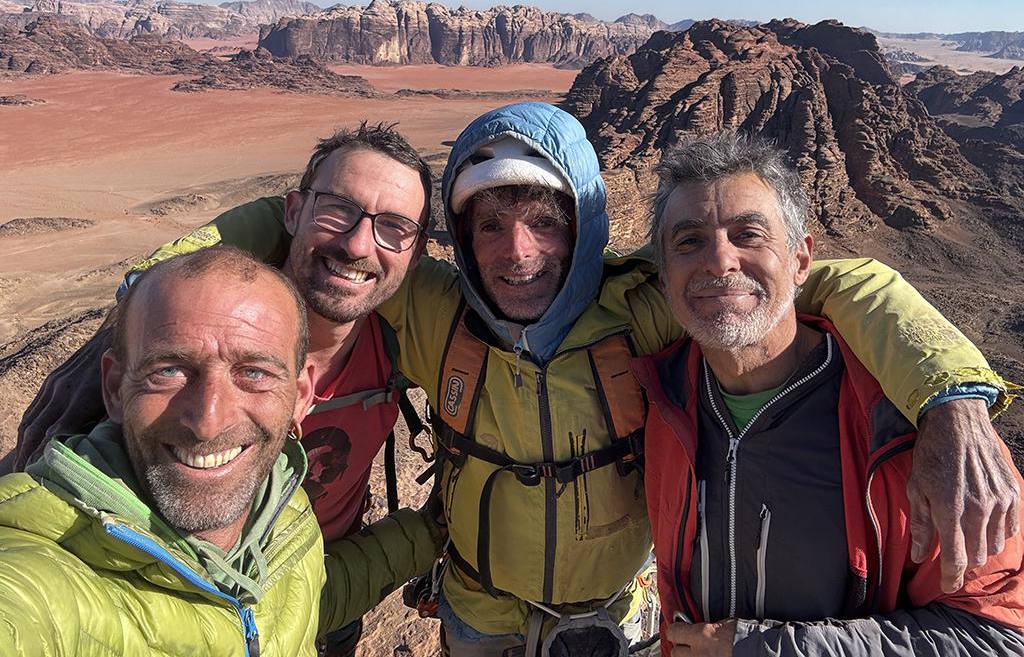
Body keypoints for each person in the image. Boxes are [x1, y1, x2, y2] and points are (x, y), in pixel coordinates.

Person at [13, 103, 1018, 655]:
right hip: (477, 611)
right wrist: (137, 300)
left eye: (545, 220)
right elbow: (305, 233)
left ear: (585, 222)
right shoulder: (430, 307)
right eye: (488, 224)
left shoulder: (640, 305)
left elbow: (820, 281)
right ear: (456, 236)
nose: (517, 251)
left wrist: (951, 399)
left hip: (616, 615)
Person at [5, 122, 436, 657]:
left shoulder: (405, 349)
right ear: (293, 211)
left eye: (394, 227)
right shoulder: (165, 346)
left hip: (318, 593)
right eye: (336, 209)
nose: (357, 244)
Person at [635, 132, 1024, 656]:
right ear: (663, 279)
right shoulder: (659, 396)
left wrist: (762, 649)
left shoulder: (912, 430)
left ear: (801, 261)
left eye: (749, 235)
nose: (720, 261)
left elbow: (996, 634)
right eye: (689, 242)